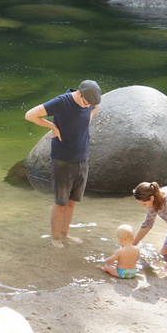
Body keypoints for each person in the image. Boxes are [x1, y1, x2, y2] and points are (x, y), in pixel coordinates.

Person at [24, 79, 102, 247]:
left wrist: (87, 117)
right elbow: (30, 115)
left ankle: (66, 234)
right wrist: (53, 127)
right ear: (79, 94)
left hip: (82, 158)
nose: (87, 105)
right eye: (86, 102)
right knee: (61, 202)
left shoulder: (90, 102)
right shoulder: (62, 102)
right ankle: (55, 238)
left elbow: (95, 107)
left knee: (73, 201)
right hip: (63, 160)